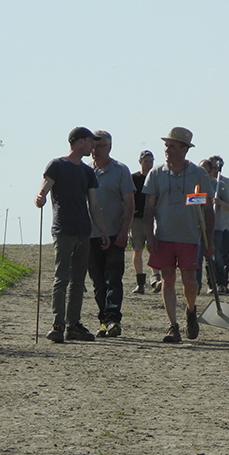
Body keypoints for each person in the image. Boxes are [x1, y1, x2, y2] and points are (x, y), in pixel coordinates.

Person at [35, 126, 110, 343]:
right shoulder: (57, 165)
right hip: (63, 229)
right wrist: (39, 198)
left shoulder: (87, 172)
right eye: (90, 141)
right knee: (61, 278)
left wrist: (102, 231)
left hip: (83, 231)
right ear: (79, 143)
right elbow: (44, 189)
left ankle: (73, 325)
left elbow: (94, 205)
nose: (93, 146)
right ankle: (58, 325)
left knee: (78, 281)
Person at [143, 127, 214, 343]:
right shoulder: (156, 174)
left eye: (172, 146)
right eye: (166, 145)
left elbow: (207, 209)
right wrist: (149, 236)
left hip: (190, 236)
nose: (167, 150)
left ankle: (191, 310)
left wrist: (209, 241)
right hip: (163, 236)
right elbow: (149, 209)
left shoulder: (198, 174)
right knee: (168, 279)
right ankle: (172, 326)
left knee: (190, 282)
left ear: (185, 149)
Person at [87, 130, 135, 338]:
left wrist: (125, 231)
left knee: (113, 279)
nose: (95, 151)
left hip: (115, 233)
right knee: (97, 281)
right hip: (90, 235)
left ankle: (113, 318)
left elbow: (130, 204)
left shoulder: (120, 170)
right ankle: (103, 320)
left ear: (109, 147)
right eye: (93, 146)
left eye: (100, 146)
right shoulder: (86, 172)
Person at [196, 159, 229, 295]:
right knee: (200, 257)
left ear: (212, 171)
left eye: (205, 170)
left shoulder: (219, 185)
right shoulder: (196, 186)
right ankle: (201, 285)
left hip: (216, 227)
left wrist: (219, 202)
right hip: (198, 227)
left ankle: (221, 283)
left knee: (216, 257)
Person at [129, 150, 161, 294]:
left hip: (154, 217)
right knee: (138, 249)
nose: (149, 163)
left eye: (150, 161)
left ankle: (155, 279)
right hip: (136, 218)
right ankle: (140, 283)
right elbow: (128, 199)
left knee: (153, 248)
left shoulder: (156, 177)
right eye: (146, 161)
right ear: (140, 162)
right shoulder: (134, 178)